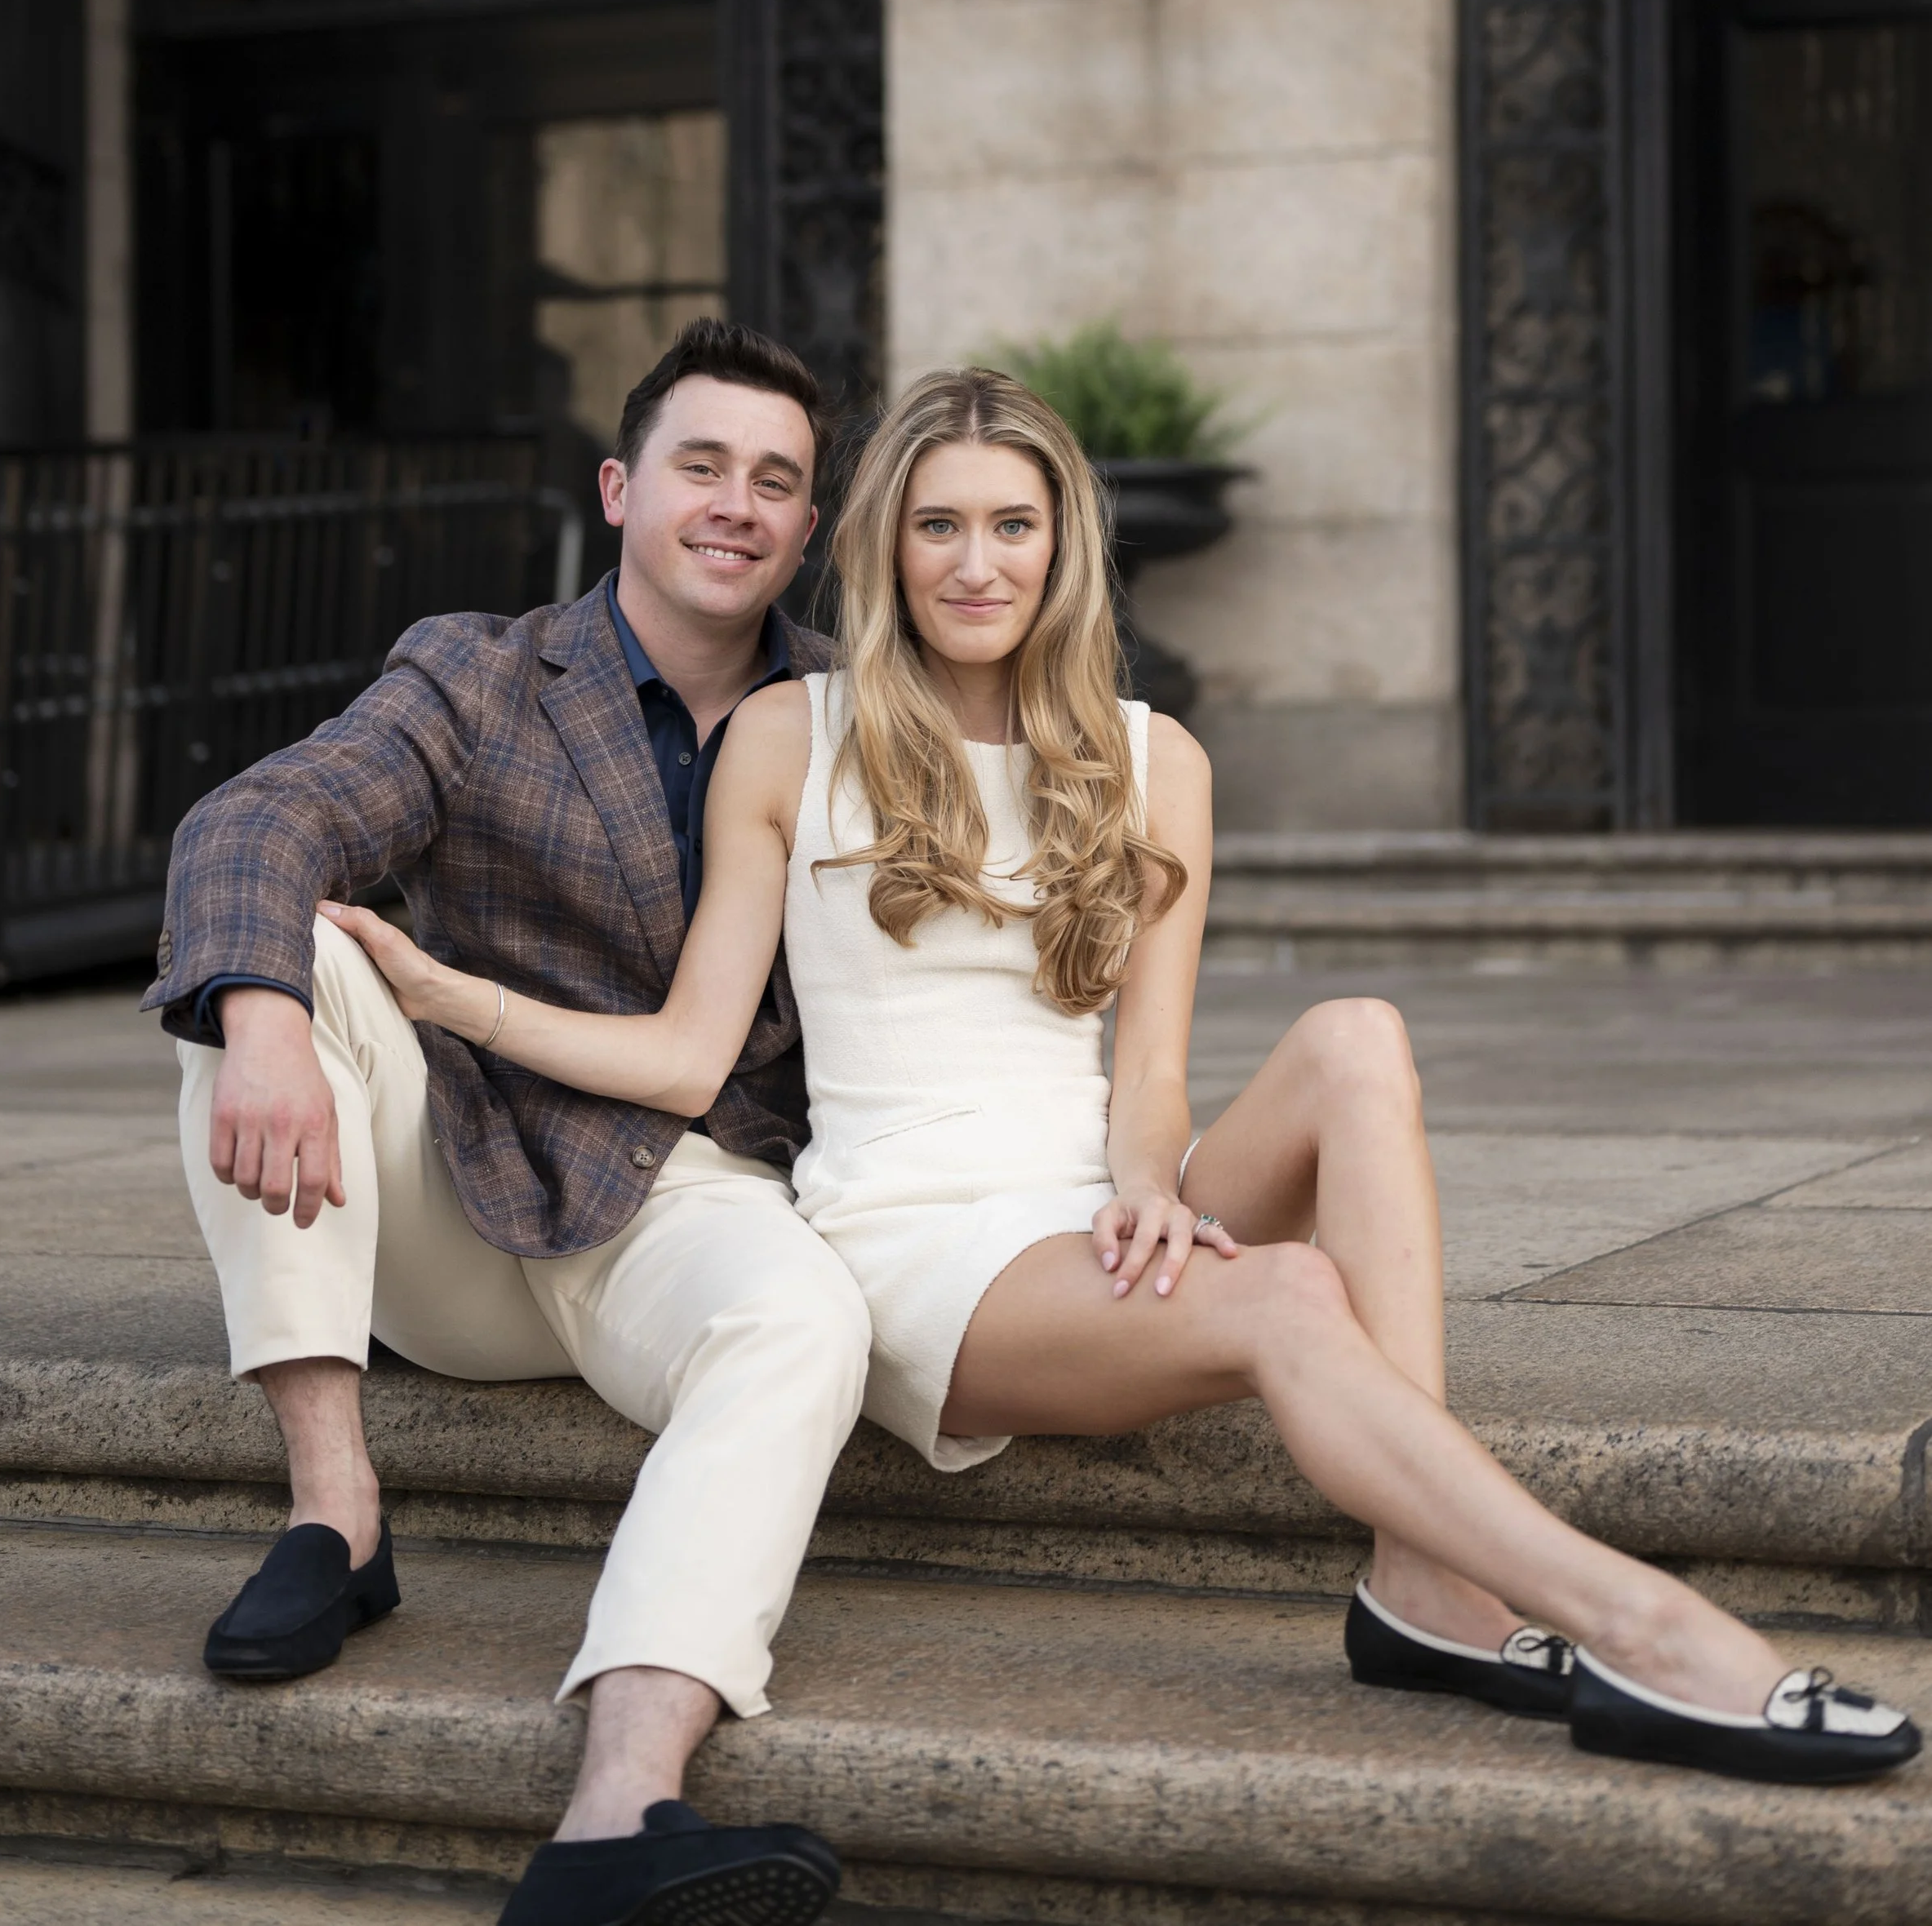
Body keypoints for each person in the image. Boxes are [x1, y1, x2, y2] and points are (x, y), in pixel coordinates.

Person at [327, 365, 1921, 1793]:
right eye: (938, 526)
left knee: (1355, 1035)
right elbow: (687, 1054)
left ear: (1061, 546)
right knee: (1289, 1296)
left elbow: (1149, 1071)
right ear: (884, 547)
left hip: (1085, 1195)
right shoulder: (791, 737)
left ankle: (1425, 1584)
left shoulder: (1154, 761)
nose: (975, 563)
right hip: (914, 1241)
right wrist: (456, 997)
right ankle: (1644, 1625)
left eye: (1011, 525)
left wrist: (1149, 1185)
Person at [149, 320, 869, 1926]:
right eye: (701, 465)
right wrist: (261, 1021)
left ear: (808, 526)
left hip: (690, 1195)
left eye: (775, 482)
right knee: (289, 955)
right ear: (619, 489)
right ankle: (336, 1518)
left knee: (807, 1323)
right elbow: (263, 814)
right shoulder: (481, 672)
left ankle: (616, 1816)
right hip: (457, 1195)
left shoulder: (852, 706)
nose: (736, 505)